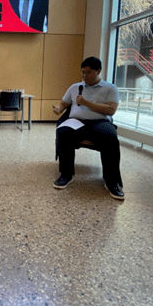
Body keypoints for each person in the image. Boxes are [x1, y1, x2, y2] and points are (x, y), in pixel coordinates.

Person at [52, 56, 124, 200]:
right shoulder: (75, 87)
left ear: (98, 71)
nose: (85, 76)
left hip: (100, 122)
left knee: (110, 138)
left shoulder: (110, 88)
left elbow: (111, 110)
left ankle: (111, 182)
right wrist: (58, 108)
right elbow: (63, 104)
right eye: (82, 72)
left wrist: (86, 102)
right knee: (63, 132)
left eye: (89, 72)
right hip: (76, 122)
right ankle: (66, 174)